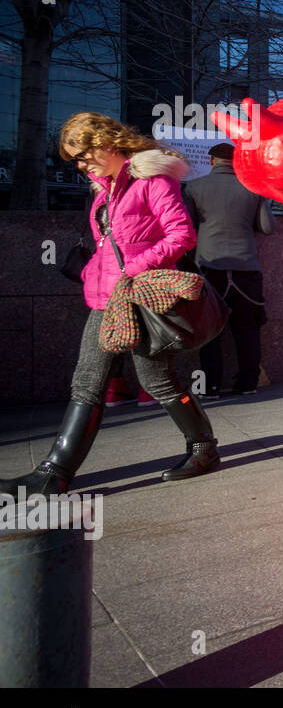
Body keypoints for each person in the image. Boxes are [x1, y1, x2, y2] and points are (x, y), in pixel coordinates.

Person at [0, 114, 220, 498]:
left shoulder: (153, 178)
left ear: (106, 142)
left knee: (157, 381)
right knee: (87, 381)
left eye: (83, 155)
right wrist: (91, 273)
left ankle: (203, 447)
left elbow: (181, 234)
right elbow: (109, 246)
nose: (81, 164)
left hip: (141, 296)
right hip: (108, 300)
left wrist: (131, 271)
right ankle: (55, 473)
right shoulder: (105, 191)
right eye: (75, 160)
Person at [184, 142, 276, 397]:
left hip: (209, 268)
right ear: (236, 162)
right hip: (246, 269)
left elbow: (186, 230)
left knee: (209, 331)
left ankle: (210, 386)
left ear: (211, 161)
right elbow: (268, 227)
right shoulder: (253, 188)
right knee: (247, 330)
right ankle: (248, 384)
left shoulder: (193, 188)